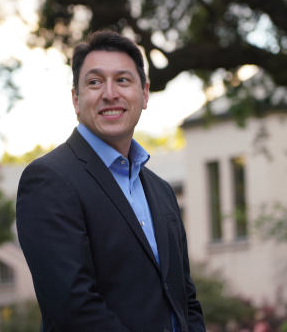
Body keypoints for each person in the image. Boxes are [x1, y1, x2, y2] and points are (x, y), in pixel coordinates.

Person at [16, 30, 205, 332]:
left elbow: (185, 298)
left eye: (122, 80)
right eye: (94, 82)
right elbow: (74, 307)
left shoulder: (161, 190)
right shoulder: (48, 180)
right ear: (76, 100)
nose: (110, 93)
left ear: (144, 94)